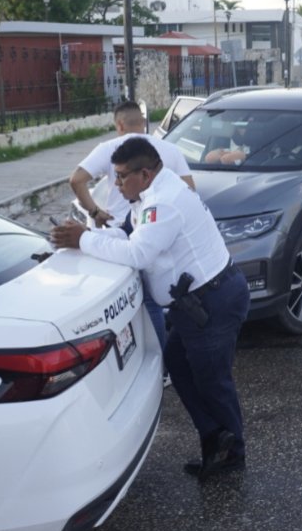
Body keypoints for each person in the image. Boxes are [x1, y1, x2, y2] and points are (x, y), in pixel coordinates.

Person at [51, 137, 250, 479]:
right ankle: (215, 440)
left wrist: (84, 239)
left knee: (213, 381)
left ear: (144, 174)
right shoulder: (151, 195)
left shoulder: (164, 202)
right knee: (177, 364)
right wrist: (86, 236)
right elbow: (130, 237)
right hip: (195, 304)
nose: (115, 184)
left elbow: (137, 254)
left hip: (211, 301)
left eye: (120, 176)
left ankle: (232, 454)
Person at [70, 101, 195, 355]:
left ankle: (151, 359)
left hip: (127, 235)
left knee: (130, 300)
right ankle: (157, 360)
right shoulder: (169, 150)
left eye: (121, 177)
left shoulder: (108, 148)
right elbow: (190, 190)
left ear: (119, 125)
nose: (118, 183)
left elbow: (76, 180)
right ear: (143, 122)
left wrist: (94, 213)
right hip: (151, 234)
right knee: (153, 299)